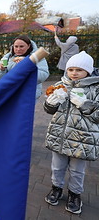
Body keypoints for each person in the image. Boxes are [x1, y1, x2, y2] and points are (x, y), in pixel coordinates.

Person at [43, 51, 99, 214]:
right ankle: (56, 188)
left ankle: (75, 194)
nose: (74, 73)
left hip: (81, 140)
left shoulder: (95, 89)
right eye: (71, 69)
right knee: (57, 167)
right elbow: (49, 110)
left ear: (88, 71)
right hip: (59, 136)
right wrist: (50, 103)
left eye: (79, 70)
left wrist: (85, 105)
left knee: (77, 171)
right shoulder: (61, 85)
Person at [0, 34, 49, 101]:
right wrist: (1, 70)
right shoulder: (7, 57)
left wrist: (27, 64)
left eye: (21, 46)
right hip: (10, 93)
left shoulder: (37, 57)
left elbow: (43, 75)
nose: (18, 49)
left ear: (28, 46)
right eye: (16, 46)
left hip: (28, 94)